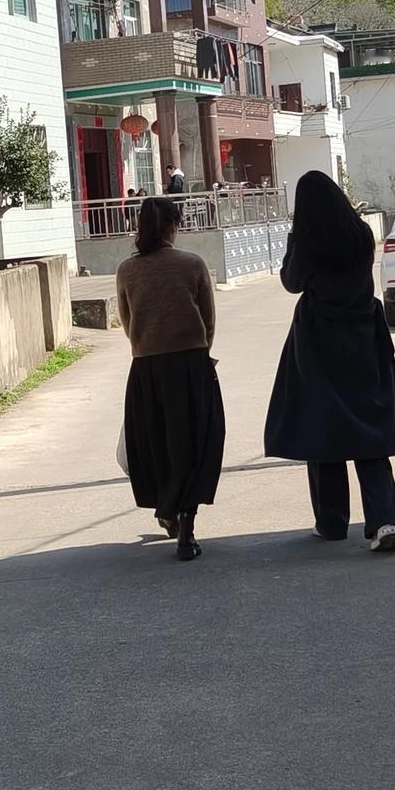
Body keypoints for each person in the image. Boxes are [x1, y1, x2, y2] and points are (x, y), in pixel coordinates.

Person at [264, 170, 395, 552]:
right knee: (369, 429)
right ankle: (384, 519)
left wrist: (293, 240)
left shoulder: (310, 242)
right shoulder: (361, 234)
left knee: (324, 428)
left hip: (319, 342)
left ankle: (331, 522)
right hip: (363, 337)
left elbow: (291, 282)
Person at [116, 196, 225, 561]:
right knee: (194, 444)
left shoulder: (127, 271)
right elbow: (208, 321)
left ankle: (167, 509)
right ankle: (187, 527)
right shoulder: (192, 264)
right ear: (173, 226)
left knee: (157, 445)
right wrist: (200, 354)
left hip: (147, 368)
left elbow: (127, 322)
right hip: (191, 365)